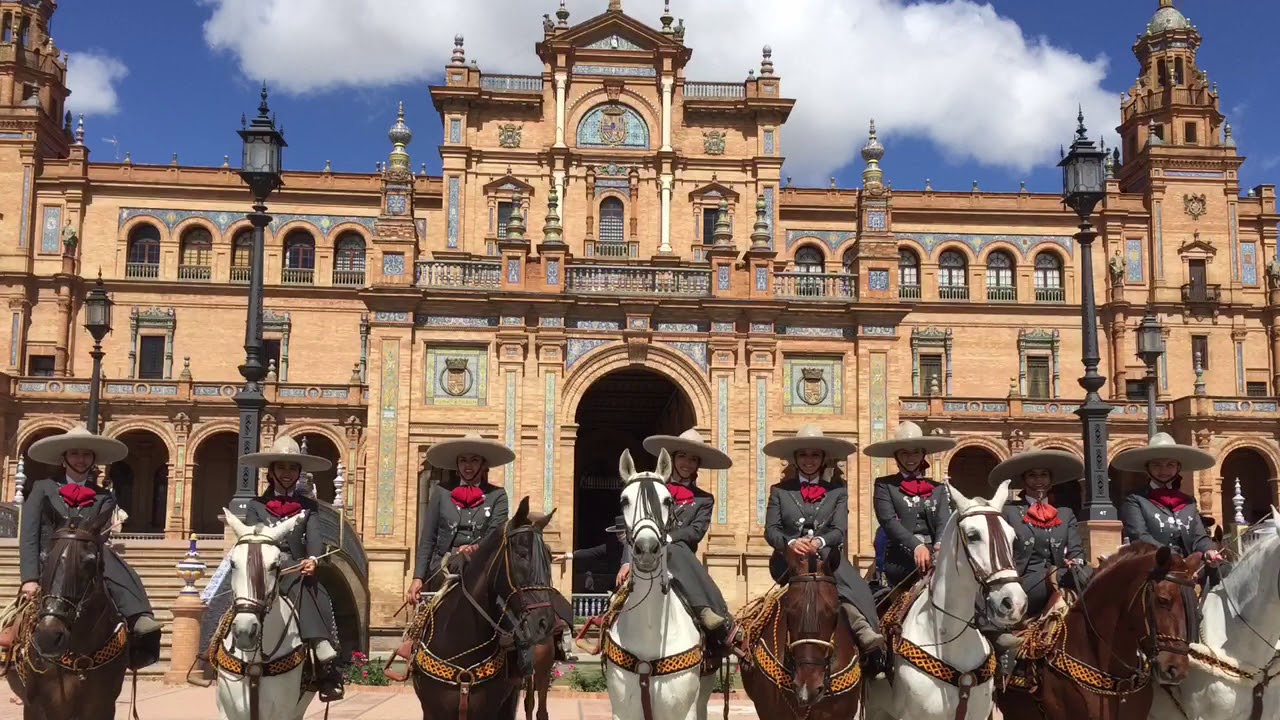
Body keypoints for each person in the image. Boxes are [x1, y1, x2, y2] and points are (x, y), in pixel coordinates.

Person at [406, 432, 575, 657]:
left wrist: (476, 549)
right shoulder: (441, 493)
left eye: (474, 460)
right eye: (463, 460)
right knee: (426, 613)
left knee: (510, 602)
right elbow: (428, 537)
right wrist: (418, 577)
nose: (468, 466)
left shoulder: (497, 495)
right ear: (457, 464)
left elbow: (496, 533)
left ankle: (521, 657)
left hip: (483, 565)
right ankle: (414, 650)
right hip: (445, 566)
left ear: (483, 464)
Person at [19, 425, 162, 666]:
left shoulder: (103, 496)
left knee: (113, 560)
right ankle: (13, 654)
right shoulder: (42, 488)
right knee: (17, 618)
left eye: (86, 454)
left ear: (93, 459)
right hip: (51, 558)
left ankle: (138, 615)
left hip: (86, 553)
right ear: (63, 458)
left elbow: (98, 533)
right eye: (74, 453)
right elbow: (30, 534)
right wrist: (29, 577)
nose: (80, 458)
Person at [763, 424, 886, 662]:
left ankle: (863, 630)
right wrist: (790, 543)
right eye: (803, 455)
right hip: (789, 562)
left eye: (815, 455)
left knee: (857, 591)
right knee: (770, 607)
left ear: (823, 459)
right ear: (795, 459)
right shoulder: (779, 491)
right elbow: (771, 530)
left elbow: (839, 530)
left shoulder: (837, 492)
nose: (809, 460)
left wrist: (819, 542)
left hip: (827, 559)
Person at [240, 435, 344, 702]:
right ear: (271, 472)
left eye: (292, 468)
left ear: (299, 473)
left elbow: (316, 537)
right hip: (262, 564)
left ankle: (325, 662)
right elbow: (252, 537)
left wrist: (313, 559)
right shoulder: (256, 506)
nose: (287, 473)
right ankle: (214, 648)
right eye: (282, 467)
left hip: (296, 567)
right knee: (238, 594)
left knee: (315, 591)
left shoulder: (308, 506)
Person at [1115, 432, 1225, 636]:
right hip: (1156, 568)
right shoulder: (1135, 499)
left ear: (1178, 468)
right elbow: (1140, 536)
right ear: (1147, 468)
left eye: (1170, 465)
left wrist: (1209, 551)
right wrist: (1172, 557)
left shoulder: (1189, 501)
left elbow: (1199, 537)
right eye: (1157, 465)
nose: (1164, 470)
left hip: (1187, 568)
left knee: (1225, 574)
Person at [636, 428, 735, 649]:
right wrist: (625, 562)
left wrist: (668, 537)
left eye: (693, 459)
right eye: (682, 456)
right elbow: (637, 524)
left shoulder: (704, 499)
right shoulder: (653, 490)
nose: (687, 464)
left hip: (680, 556)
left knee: (675, 546)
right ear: (672, 458)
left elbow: (696, 531)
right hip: (648, 553)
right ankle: (708, 608)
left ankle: (713, 634)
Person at [988, 449, 1088, 619]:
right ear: (1024, 480)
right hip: (1022, 582)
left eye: (1044, 475)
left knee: (1093, 573)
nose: (1039, 480)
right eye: (1032, 476)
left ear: (1051, 480)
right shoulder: (1009, 512)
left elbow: (1076, 550)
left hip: (1062, 577)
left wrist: (1075, 562)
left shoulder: (1065, 513)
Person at [865, 421, 957, 590]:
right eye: (904, 453)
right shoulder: (885, 485)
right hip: (900, 555)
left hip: (936, 553)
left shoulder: (938, 488)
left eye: (915, 453)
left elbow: (944, 520)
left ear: (923, 454)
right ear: (896, 456)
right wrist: (916, 546)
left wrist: (939, 546)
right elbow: (888, 521)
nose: (910, 458)